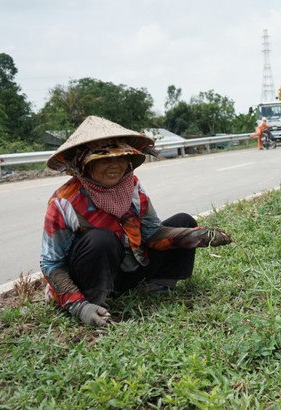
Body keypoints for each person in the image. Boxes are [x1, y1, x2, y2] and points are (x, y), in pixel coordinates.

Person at [41, 116, 233, 327]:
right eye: (103, 159)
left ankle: (158, 286)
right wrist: (78, 305)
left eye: (120, 158)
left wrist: (197, 235)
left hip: (127, 269)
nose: (114, 165)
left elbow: (151, 234)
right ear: (83, 164)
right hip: (91, 276)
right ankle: (93, 304)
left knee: (184, 221)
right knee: (101, 238)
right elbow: (52, 263)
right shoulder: (64, 202)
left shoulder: (131, 186)